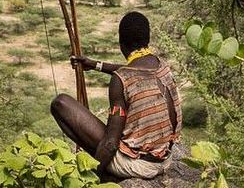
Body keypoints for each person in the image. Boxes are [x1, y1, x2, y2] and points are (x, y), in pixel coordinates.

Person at [50, 11, 182, 180]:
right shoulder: (161, 65)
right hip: (165, 158)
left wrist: (92, 178)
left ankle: (108, 176)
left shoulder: (120, 81)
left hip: (139, 165)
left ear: (121, 43)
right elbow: (134, 72)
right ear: (147, 39)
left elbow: (110, 144)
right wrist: (95, 65)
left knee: (60, 103)